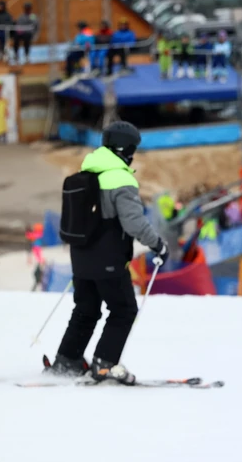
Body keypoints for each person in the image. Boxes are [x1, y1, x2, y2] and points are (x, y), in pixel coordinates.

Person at [49, 121, 168, 384]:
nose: (133, 154)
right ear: (124, 148)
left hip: (81, 257)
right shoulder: (120, 178)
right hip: (108, 258)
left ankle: (67, 359)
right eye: (132, 149)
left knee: (86, 309)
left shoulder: (88, 171)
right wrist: (158, 244)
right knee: (123, 309)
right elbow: (134, 222)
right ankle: (105, 362)